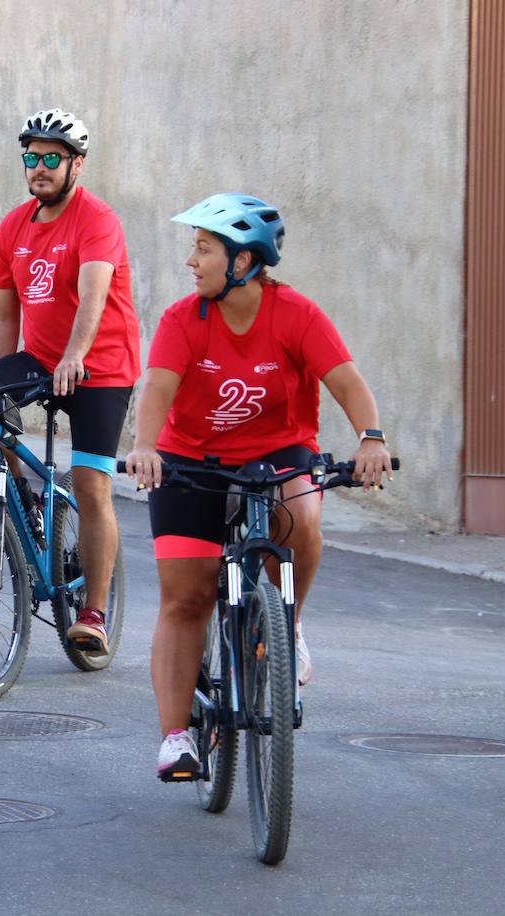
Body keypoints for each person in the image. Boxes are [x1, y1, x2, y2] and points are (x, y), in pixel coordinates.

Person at [123, 193, 392, 778]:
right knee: (186, 597)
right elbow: (160, 389)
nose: (191, 261)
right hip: (189, 459)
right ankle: (176, 738)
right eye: (194, 247)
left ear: (243, 261)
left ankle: (287, 624)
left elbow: (346, 381)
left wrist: (370, 438)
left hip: (277, 452)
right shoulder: (182, 319)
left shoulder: (294, 313)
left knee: (304, 510)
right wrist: (146, 447)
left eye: (204, 249)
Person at [0, 108, 140, 655]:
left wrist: (75, 356)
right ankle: (20, 496)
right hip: (41, 356)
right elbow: (4, 314)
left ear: (76, 165)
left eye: (51, 159)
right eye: (31, 157)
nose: (39, 167)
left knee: (90, 485)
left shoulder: (96, 219)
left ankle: (95, 613)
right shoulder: (13, 226)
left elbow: (94, 294)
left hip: (102, 365)